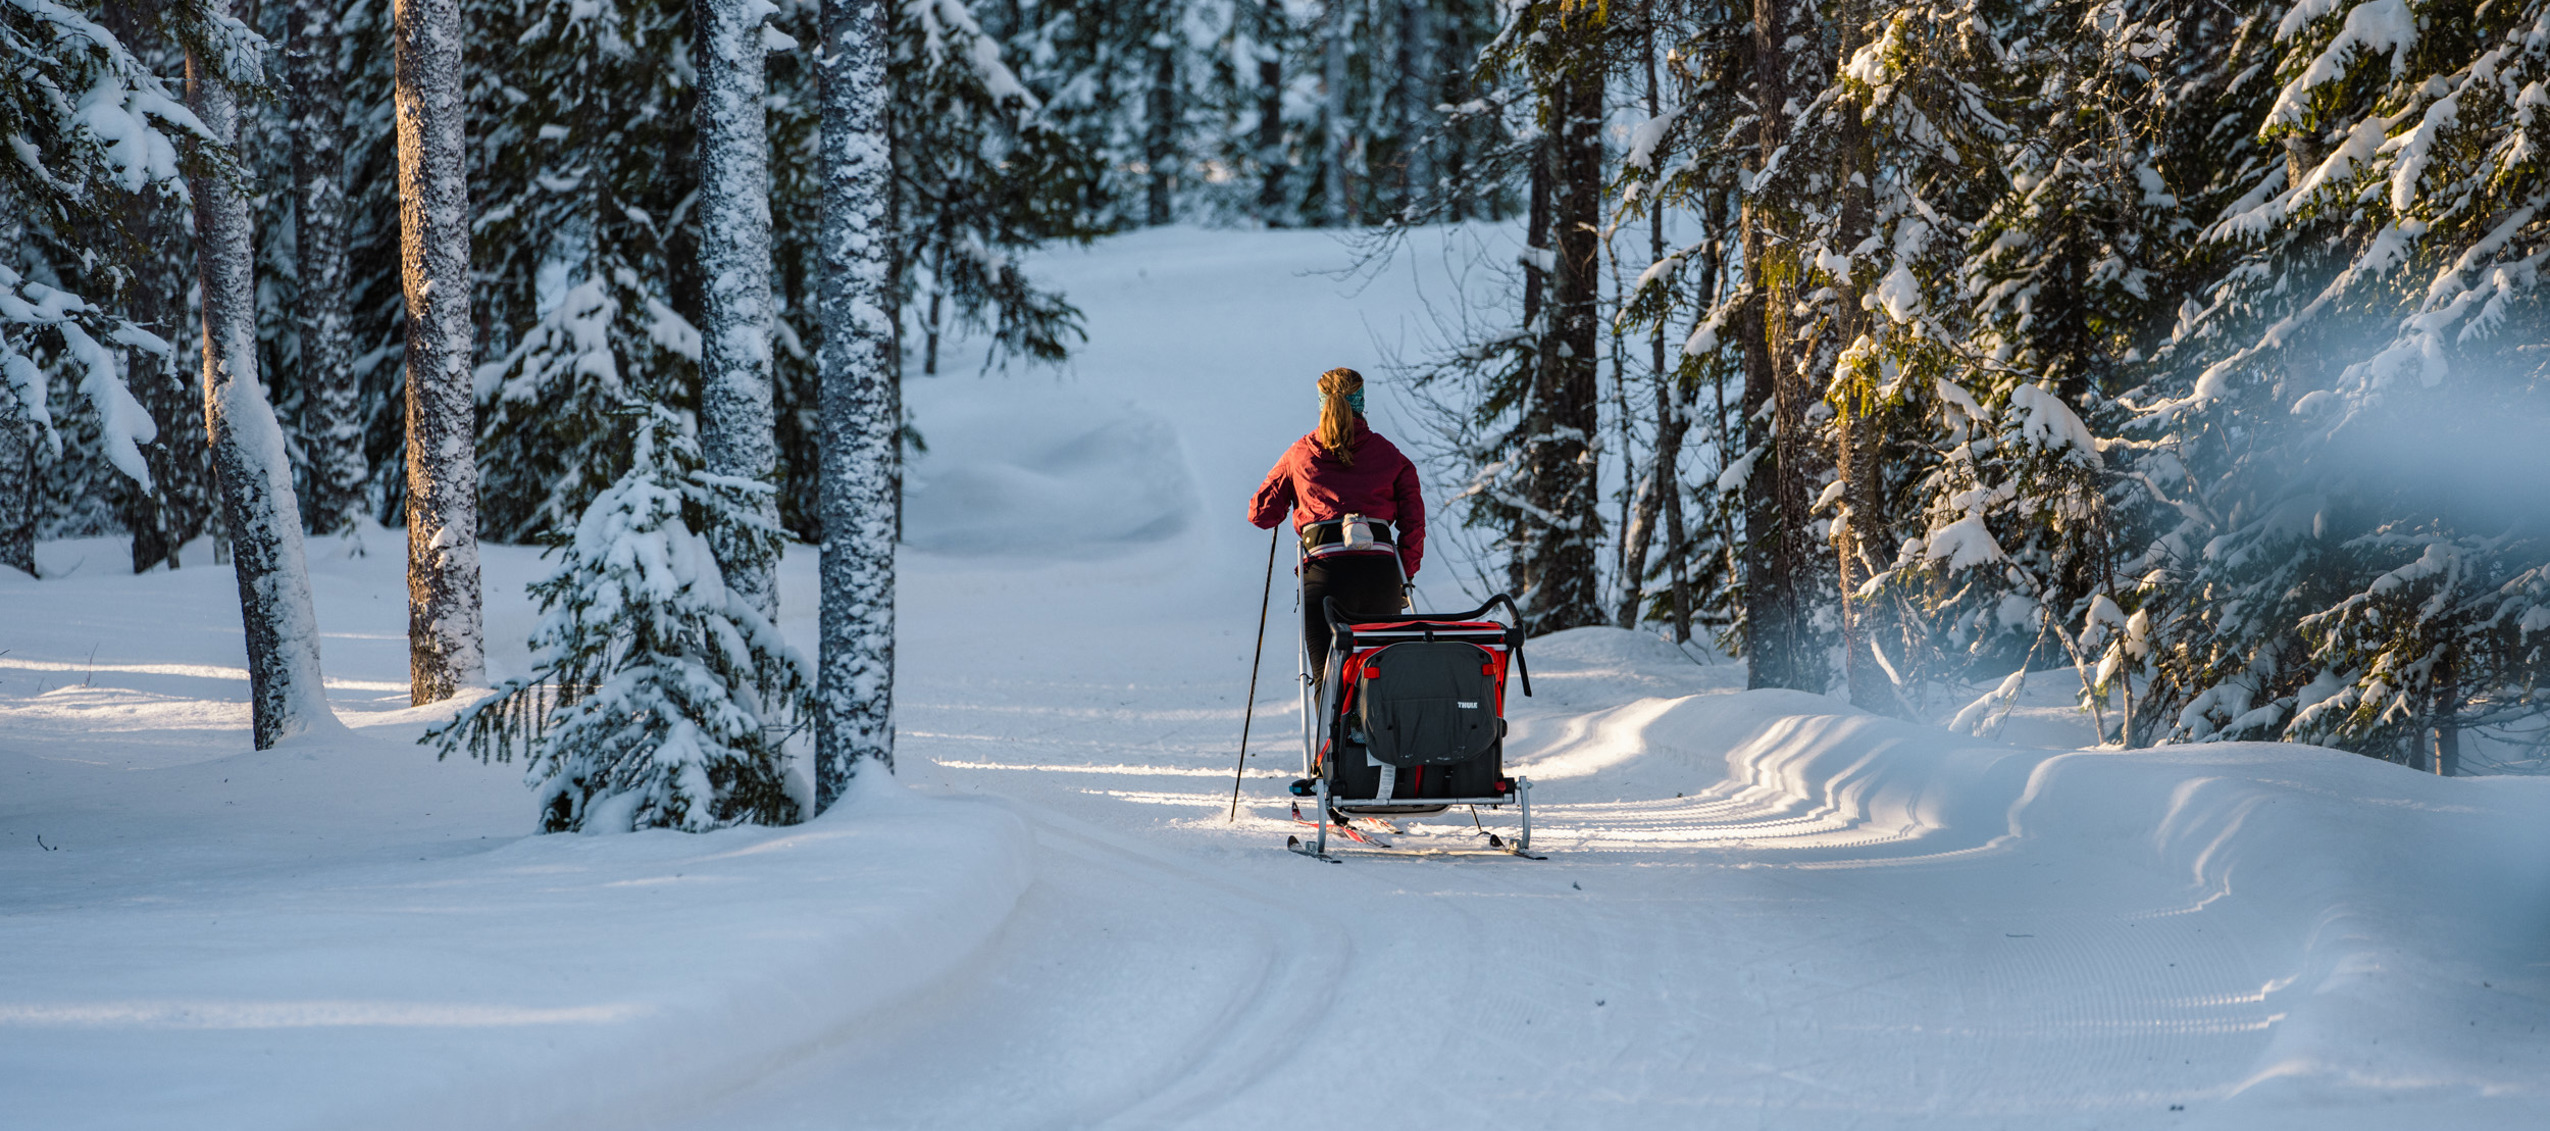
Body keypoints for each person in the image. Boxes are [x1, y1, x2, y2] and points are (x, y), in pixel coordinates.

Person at [1248, 367, 1426, 677]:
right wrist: (1404, 574)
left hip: (1325, 575)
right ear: (1362, 402)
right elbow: (1414, 523)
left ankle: (1337, 724)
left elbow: (1262, 515)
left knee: (1329, 679)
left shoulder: (1300, 453)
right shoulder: (1390, 455)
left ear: (1321, 403)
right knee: (1381, 678)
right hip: (1381, 578)